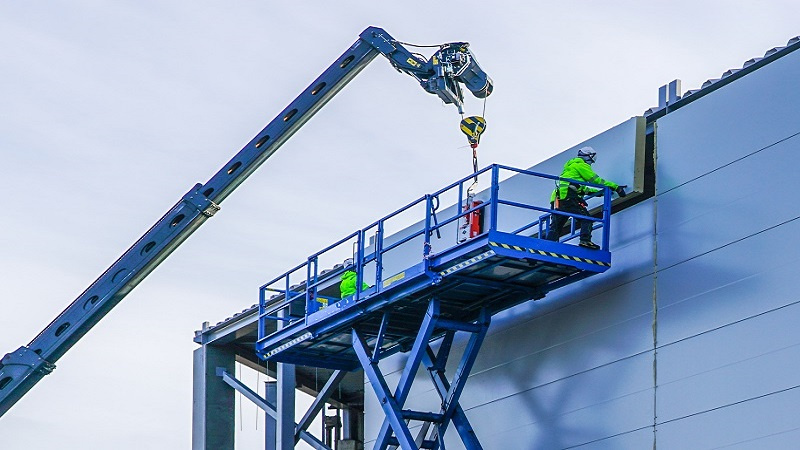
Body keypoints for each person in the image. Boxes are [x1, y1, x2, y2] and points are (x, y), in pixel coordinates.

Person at [544, 146, 626, 249]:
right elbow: (596, 180)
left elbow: (581, 189)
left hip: (557, 199)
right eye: (591, 161)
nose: (591, 164)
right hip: (569, 198)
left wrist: (600, 193)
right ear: (589, 157)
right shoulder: (581, 165)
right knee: (586, 219)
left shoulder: (570, 168)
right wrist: (616, 187)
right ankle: (585, 241)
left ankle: (547, 245)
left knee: (556, 225)